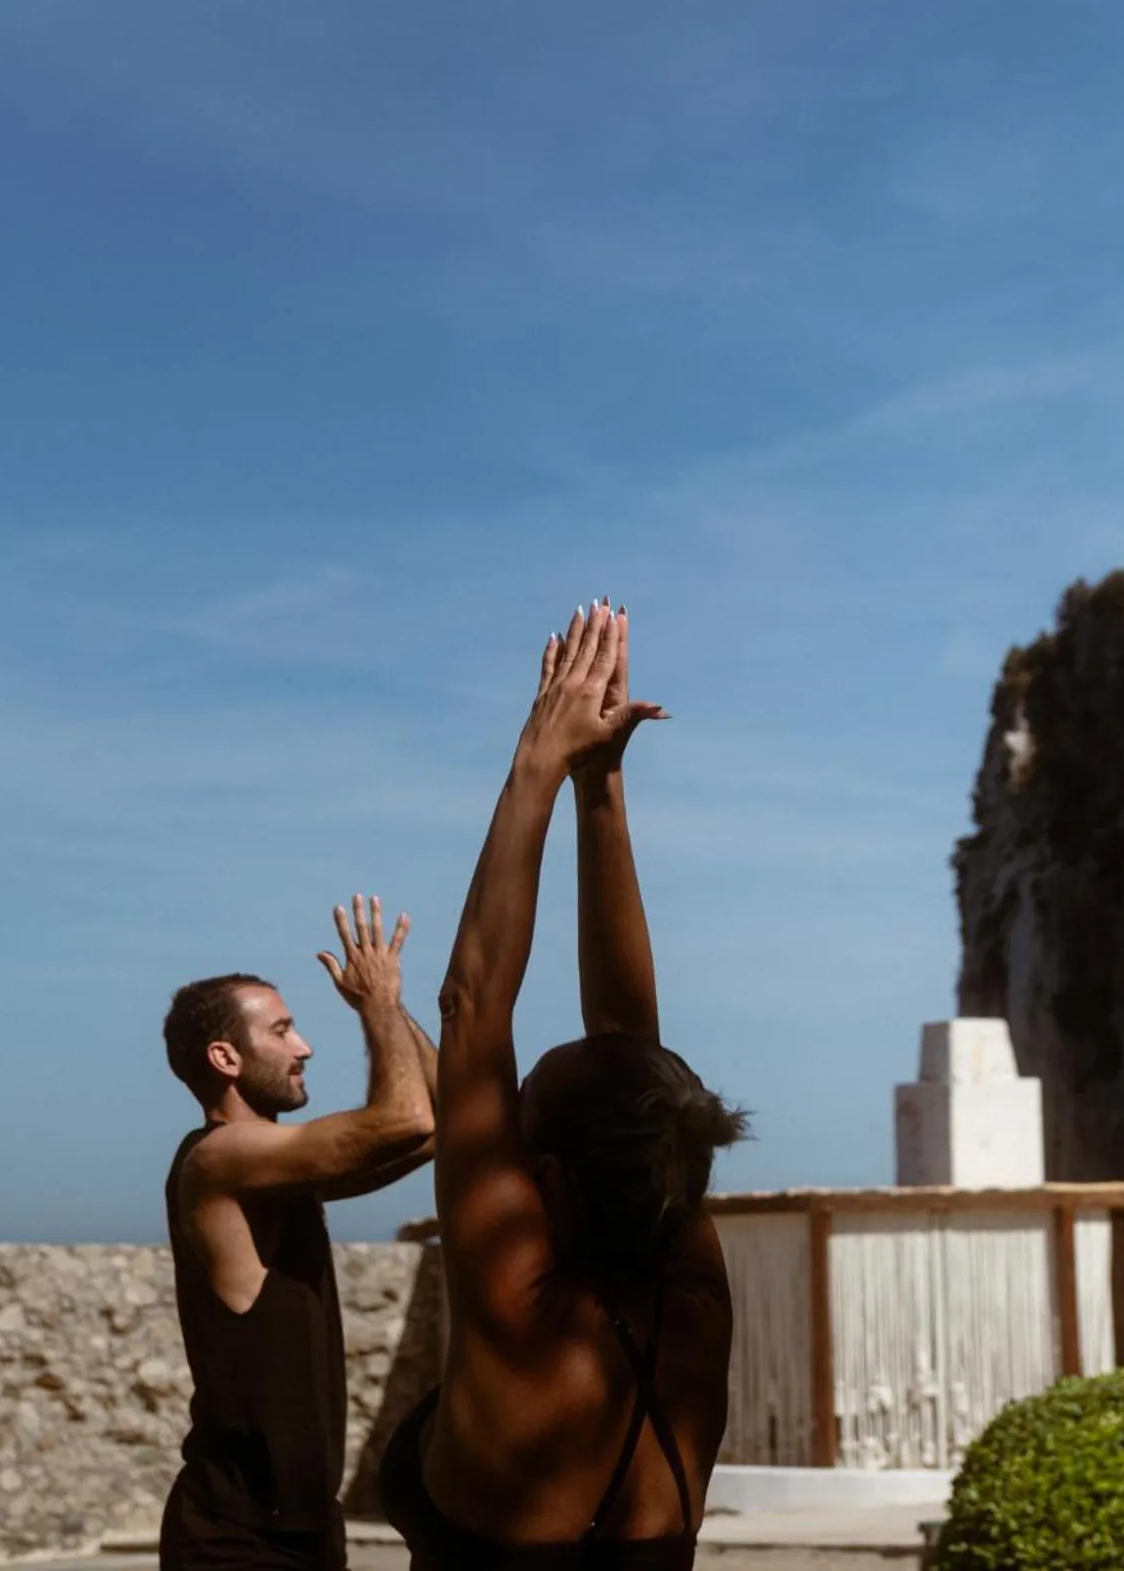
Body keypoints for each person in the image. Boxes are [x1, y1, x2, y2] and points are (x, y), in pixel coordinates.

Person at [381, 602, 747, 1570]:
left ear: (543, 1173)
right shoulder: (693, 1290)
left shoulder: (517, 1307)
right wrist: (601, 787)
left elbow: (472, 1003)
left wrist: (537, 758)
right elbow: (628, 1050)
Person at [159, 894, 437, 1571]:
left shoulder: (280, 1174)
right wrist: (376, 1003)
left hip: (308, 1533)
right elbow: (404, 1120)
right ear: (225, 1056)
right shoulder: (217, 1159)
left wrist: (389, 1009)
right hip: (234, 1542)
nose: (304, 1046)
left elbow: (437, 1117)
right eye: (282, 1030)